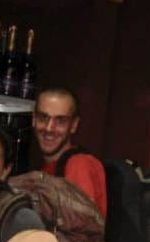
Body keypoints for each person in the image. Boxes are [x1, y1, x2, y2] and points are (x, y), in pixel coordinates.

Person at [33, 86, 108, 220]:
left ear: (74, 125)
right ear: (33, 119)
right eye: (43, 118)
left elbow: (79, 227)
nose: (49, 128)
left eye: (60, 121)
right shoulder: (49, 169)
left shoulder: (79, 164)